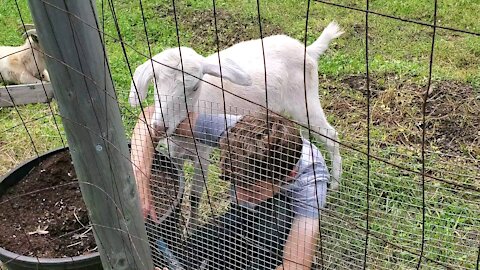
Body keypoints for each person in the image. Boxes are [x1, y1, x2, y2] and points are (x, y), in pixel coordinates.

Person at [131, 105, 330, 270]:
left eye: (253, 191)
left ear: (290, 175)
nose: (241, 196)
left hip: (281, 215)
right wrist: (140, 183)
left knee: (272, 229)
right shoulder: (237, 133)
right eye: (236, 185)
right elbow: (150, 116)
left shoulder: (310, 182)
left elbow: (295, 265)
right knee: (194, 250)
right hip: (241, 215)